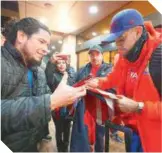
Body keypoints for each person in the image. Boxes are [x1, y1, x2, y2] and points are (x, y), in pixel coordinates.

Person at [1, 17, 86, 152]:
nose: (46, 49)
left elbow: (44, 99)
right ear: (21, 36)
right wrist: (50, 102)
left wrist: (45, 137)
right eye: (42, 42)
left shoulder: (39, 71)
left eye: (47, 44)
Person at [86, 9, 162, 152]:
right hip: (132, 131)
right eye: (115, 41)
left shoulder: (159, 56)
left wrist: (139, 107)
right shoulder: (124, 54)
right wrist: (99, 82)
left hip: (155, 138)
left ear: (138, 32)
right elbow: (114, 77)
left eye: (121, 39)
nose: (118, 47)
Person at [70, 45, 115, 152]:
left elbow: (114, 88)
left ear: (102, 55)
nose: (94, 57)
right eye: (92, 55)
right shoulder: (82, 70)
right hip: (85, 109)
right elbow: (73, 84)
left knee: (100, 136)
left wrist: (98, 85)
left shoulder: (110, 69)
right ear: (89, 57)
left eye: (97, 54)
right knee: (84, 134)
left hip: (101, 109)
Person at [45, 56, 76, 152]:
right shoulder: (53, 75)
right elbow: (48, 76)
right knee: (59, 129)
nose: (61, 65)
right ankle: (60, 148)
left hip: (69, 107)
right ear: (56, 65)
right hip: (58, 108)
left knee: (67, 129)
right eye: (59, 63)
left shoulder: (70, 74)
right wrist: (50, 62)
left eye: (63, 62)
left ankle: (65, 148)